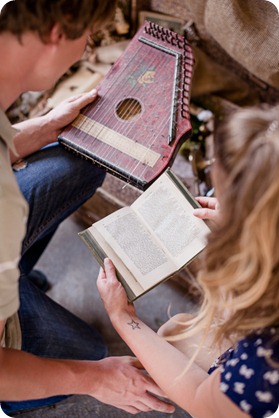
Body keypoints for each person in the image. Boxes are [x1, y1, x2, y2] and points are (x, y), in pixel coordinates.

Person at [0, 1, 175, 415]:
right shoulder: (5, 208)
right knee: (93, 350)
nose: (86, 52)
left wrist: (37, 129)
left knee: (82, 157)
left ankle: (15, 283)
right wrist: (98, 379)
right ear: (59, 32)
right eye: (87, 40)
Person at [97, 104, 279, 418]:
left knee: (171, 338)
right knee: (177, 329)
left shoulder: (262, 362)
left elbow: (202, 401)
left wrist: (123, 319)